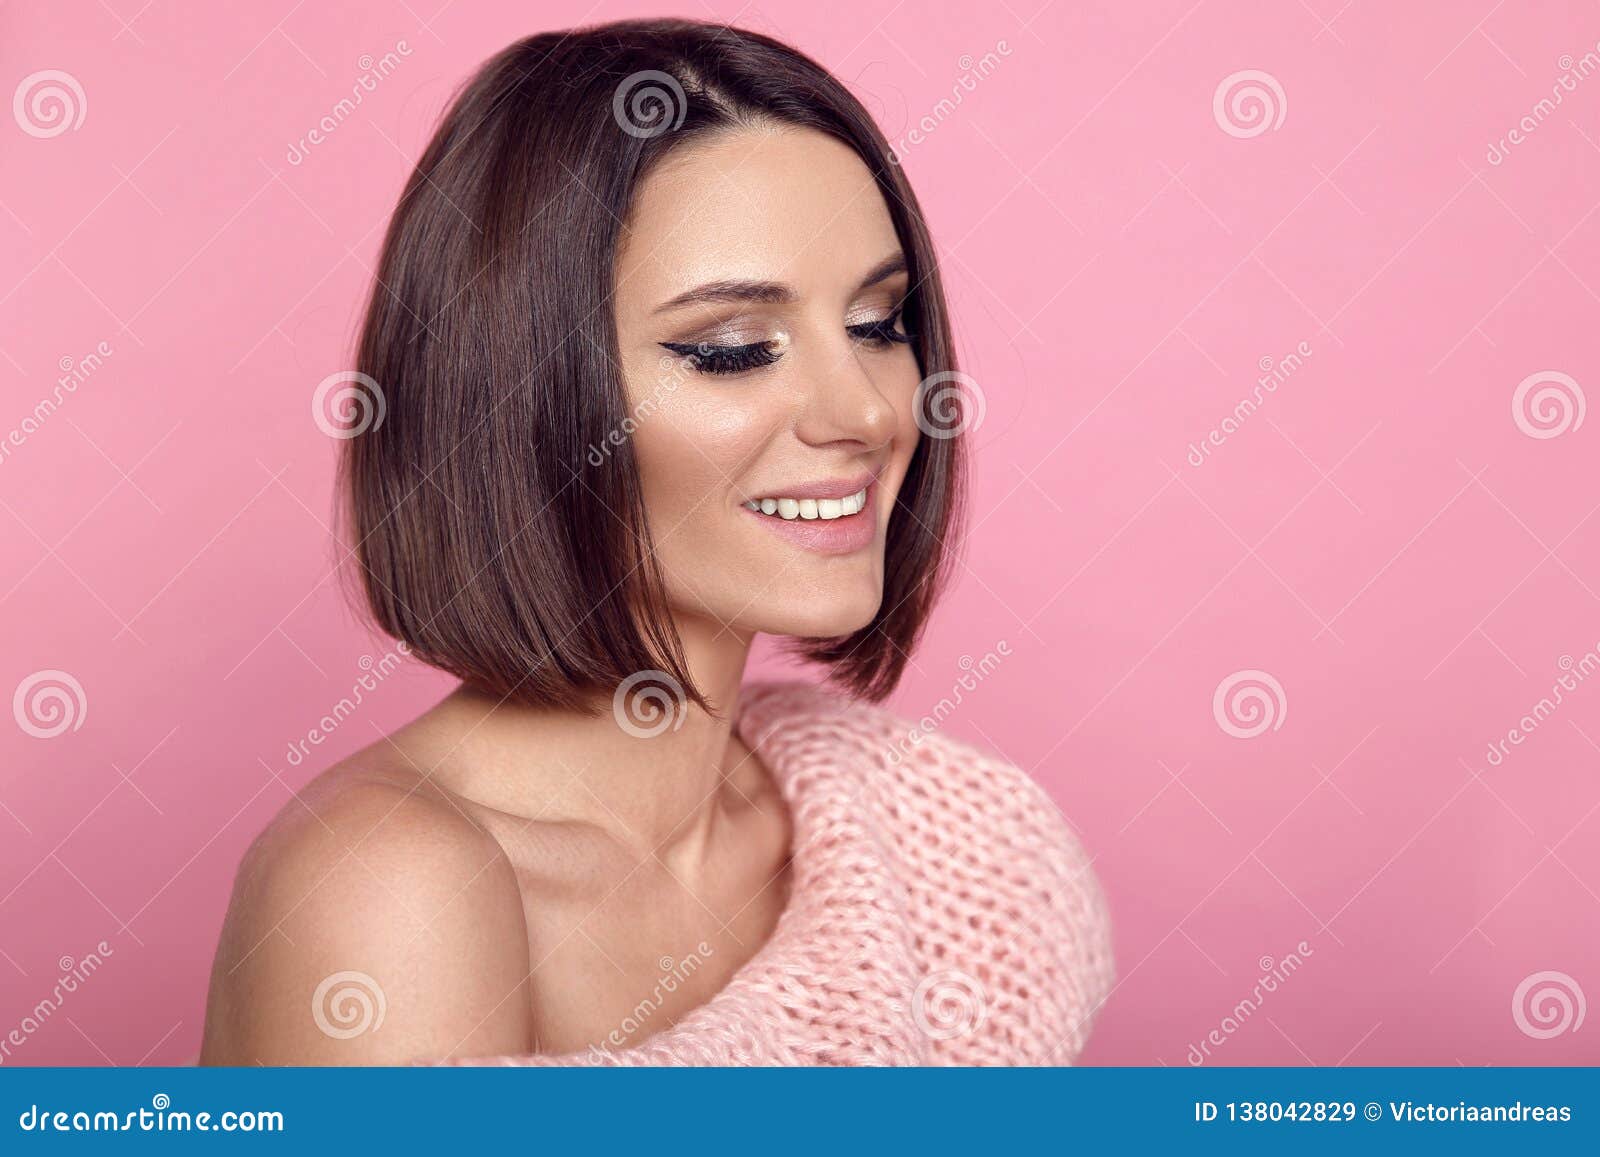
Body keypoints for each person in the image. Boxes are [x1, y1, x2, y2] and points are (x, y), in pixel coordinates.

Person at [199, 17, 1113, 1066]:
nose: (863, 409)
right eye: (731, 350)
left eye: (877, 323)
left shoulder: (947, 841)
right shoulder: (390, 886)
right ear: (519, 401)